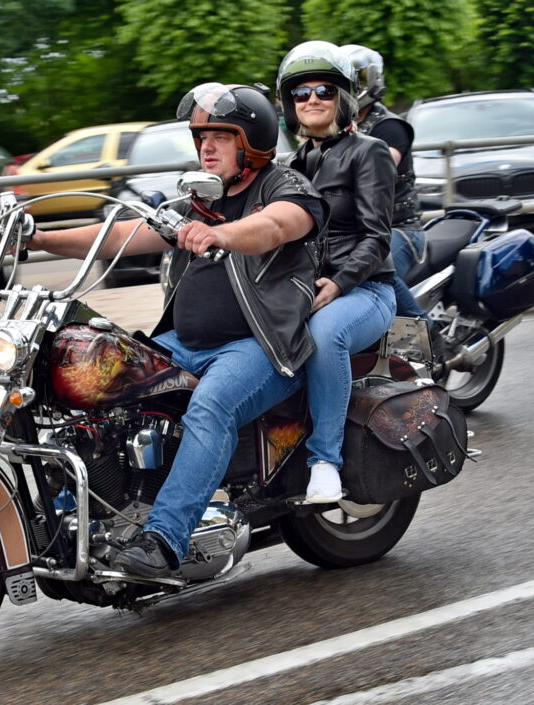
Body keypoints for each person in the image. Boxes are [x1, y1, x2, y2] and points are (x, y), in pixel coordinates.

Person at [28, 83, 327, 578]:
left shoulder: (286, 188)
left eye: (220, 137)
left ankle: (164, 539)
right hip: (184, 345)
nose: (206, 147)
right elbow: (119, 237)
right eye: (201, 137)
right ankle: (76, 512)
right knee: (96, 376)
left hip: (262, 347)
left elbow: (275, 227)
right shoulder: (199, 202)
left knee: (213, 405)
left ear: (251, 142)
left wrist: (219, 234)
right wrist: (39, 239)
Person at [277, 41, 398, 503]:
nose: (312, 99)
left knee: (326, 334)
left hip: (366, 289)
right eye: (301, 93)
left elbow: (377, 237)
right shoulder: (291, 166)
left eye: (324, 91)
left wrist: (339, 282)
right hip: (306, 289)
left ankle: (324, 460)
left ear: (343, 98)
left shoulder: (369, 152)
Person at [340, 44, 431, 324]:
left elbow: (376, 174)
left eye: (353, 80)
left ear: (371, 79)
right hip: (356, 230)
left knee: (371, 266)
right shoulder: (336, 130)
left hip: (399, 228)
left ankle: (426, 332)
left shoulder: (389, 127)